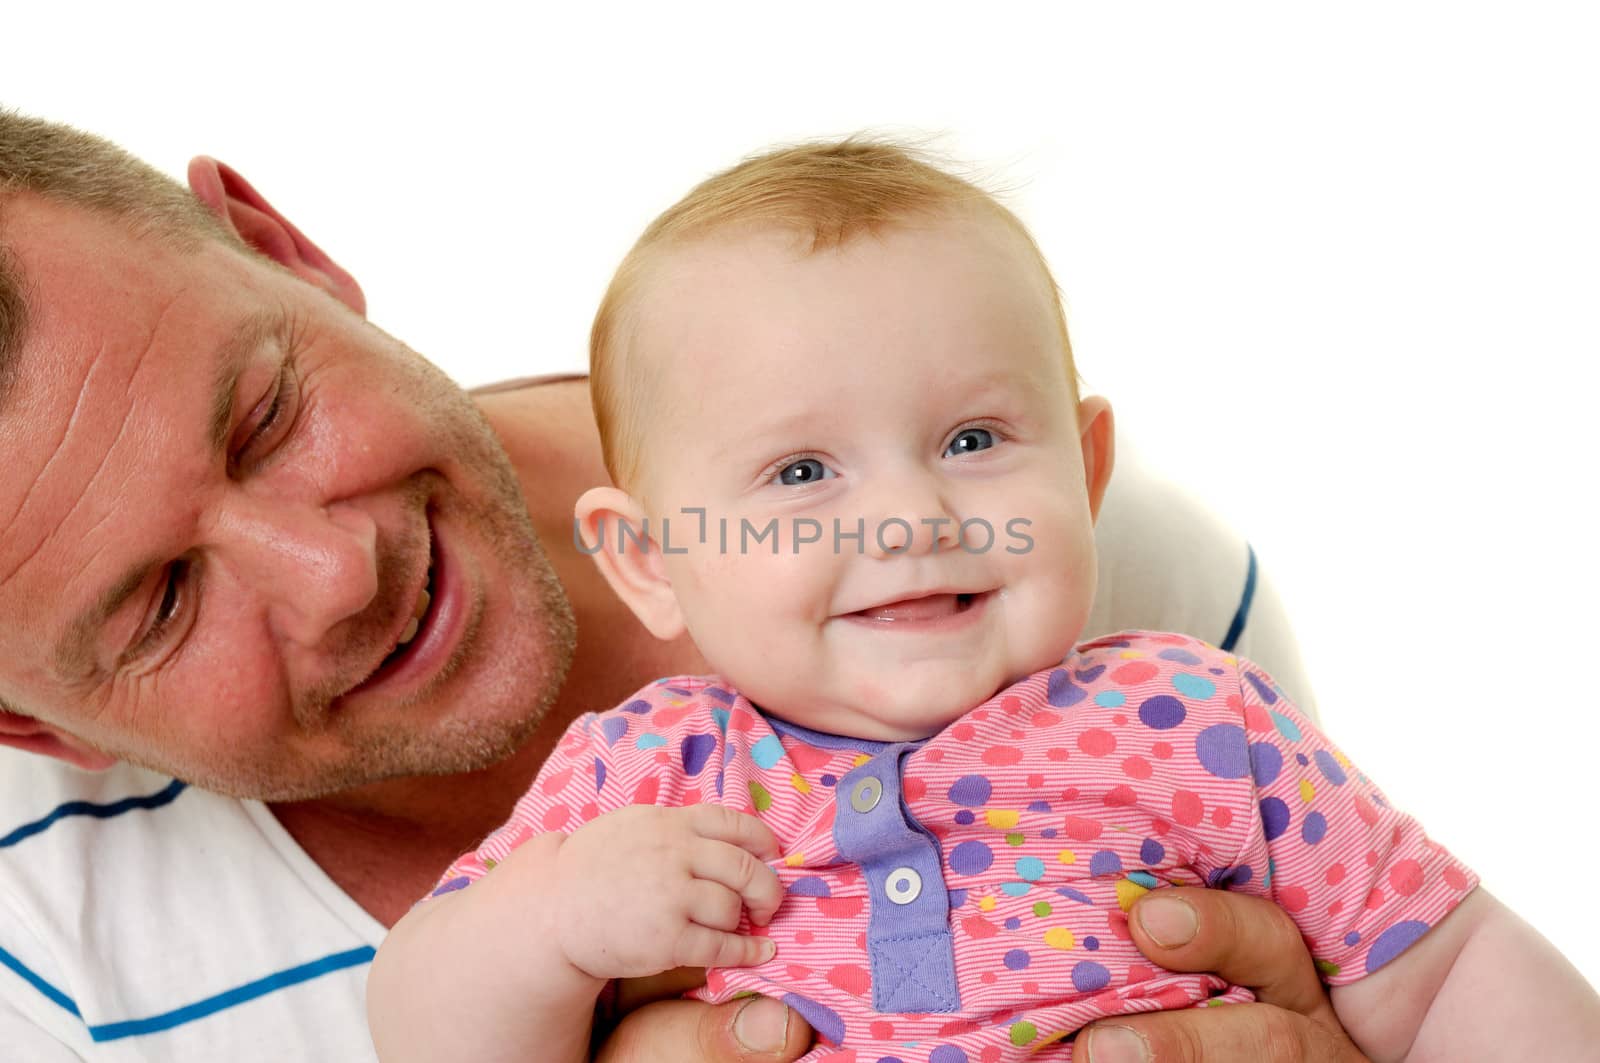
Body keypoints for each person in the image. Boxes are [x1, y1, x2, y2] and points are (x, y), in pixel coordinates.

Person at [0, 108, 1361, 1062]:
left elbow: (1408, 966)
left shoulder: (1039, 567)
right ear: (37, 729)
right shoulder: (39, 975)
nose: (337, 570)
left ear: (286, 247)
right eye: (163, 603)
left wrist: (1326, 1031)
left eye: (270, 413)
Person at [367, 141, 1600, 1062]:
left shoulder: (1194, 717)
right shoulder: (649, 775)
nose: (907, 516)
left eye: (972, 438)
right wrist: (547, 925)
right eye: (802, 472)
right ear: (649, 558)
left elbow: (1445, 978)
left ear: (1087, 470)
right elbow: (428, 1027)